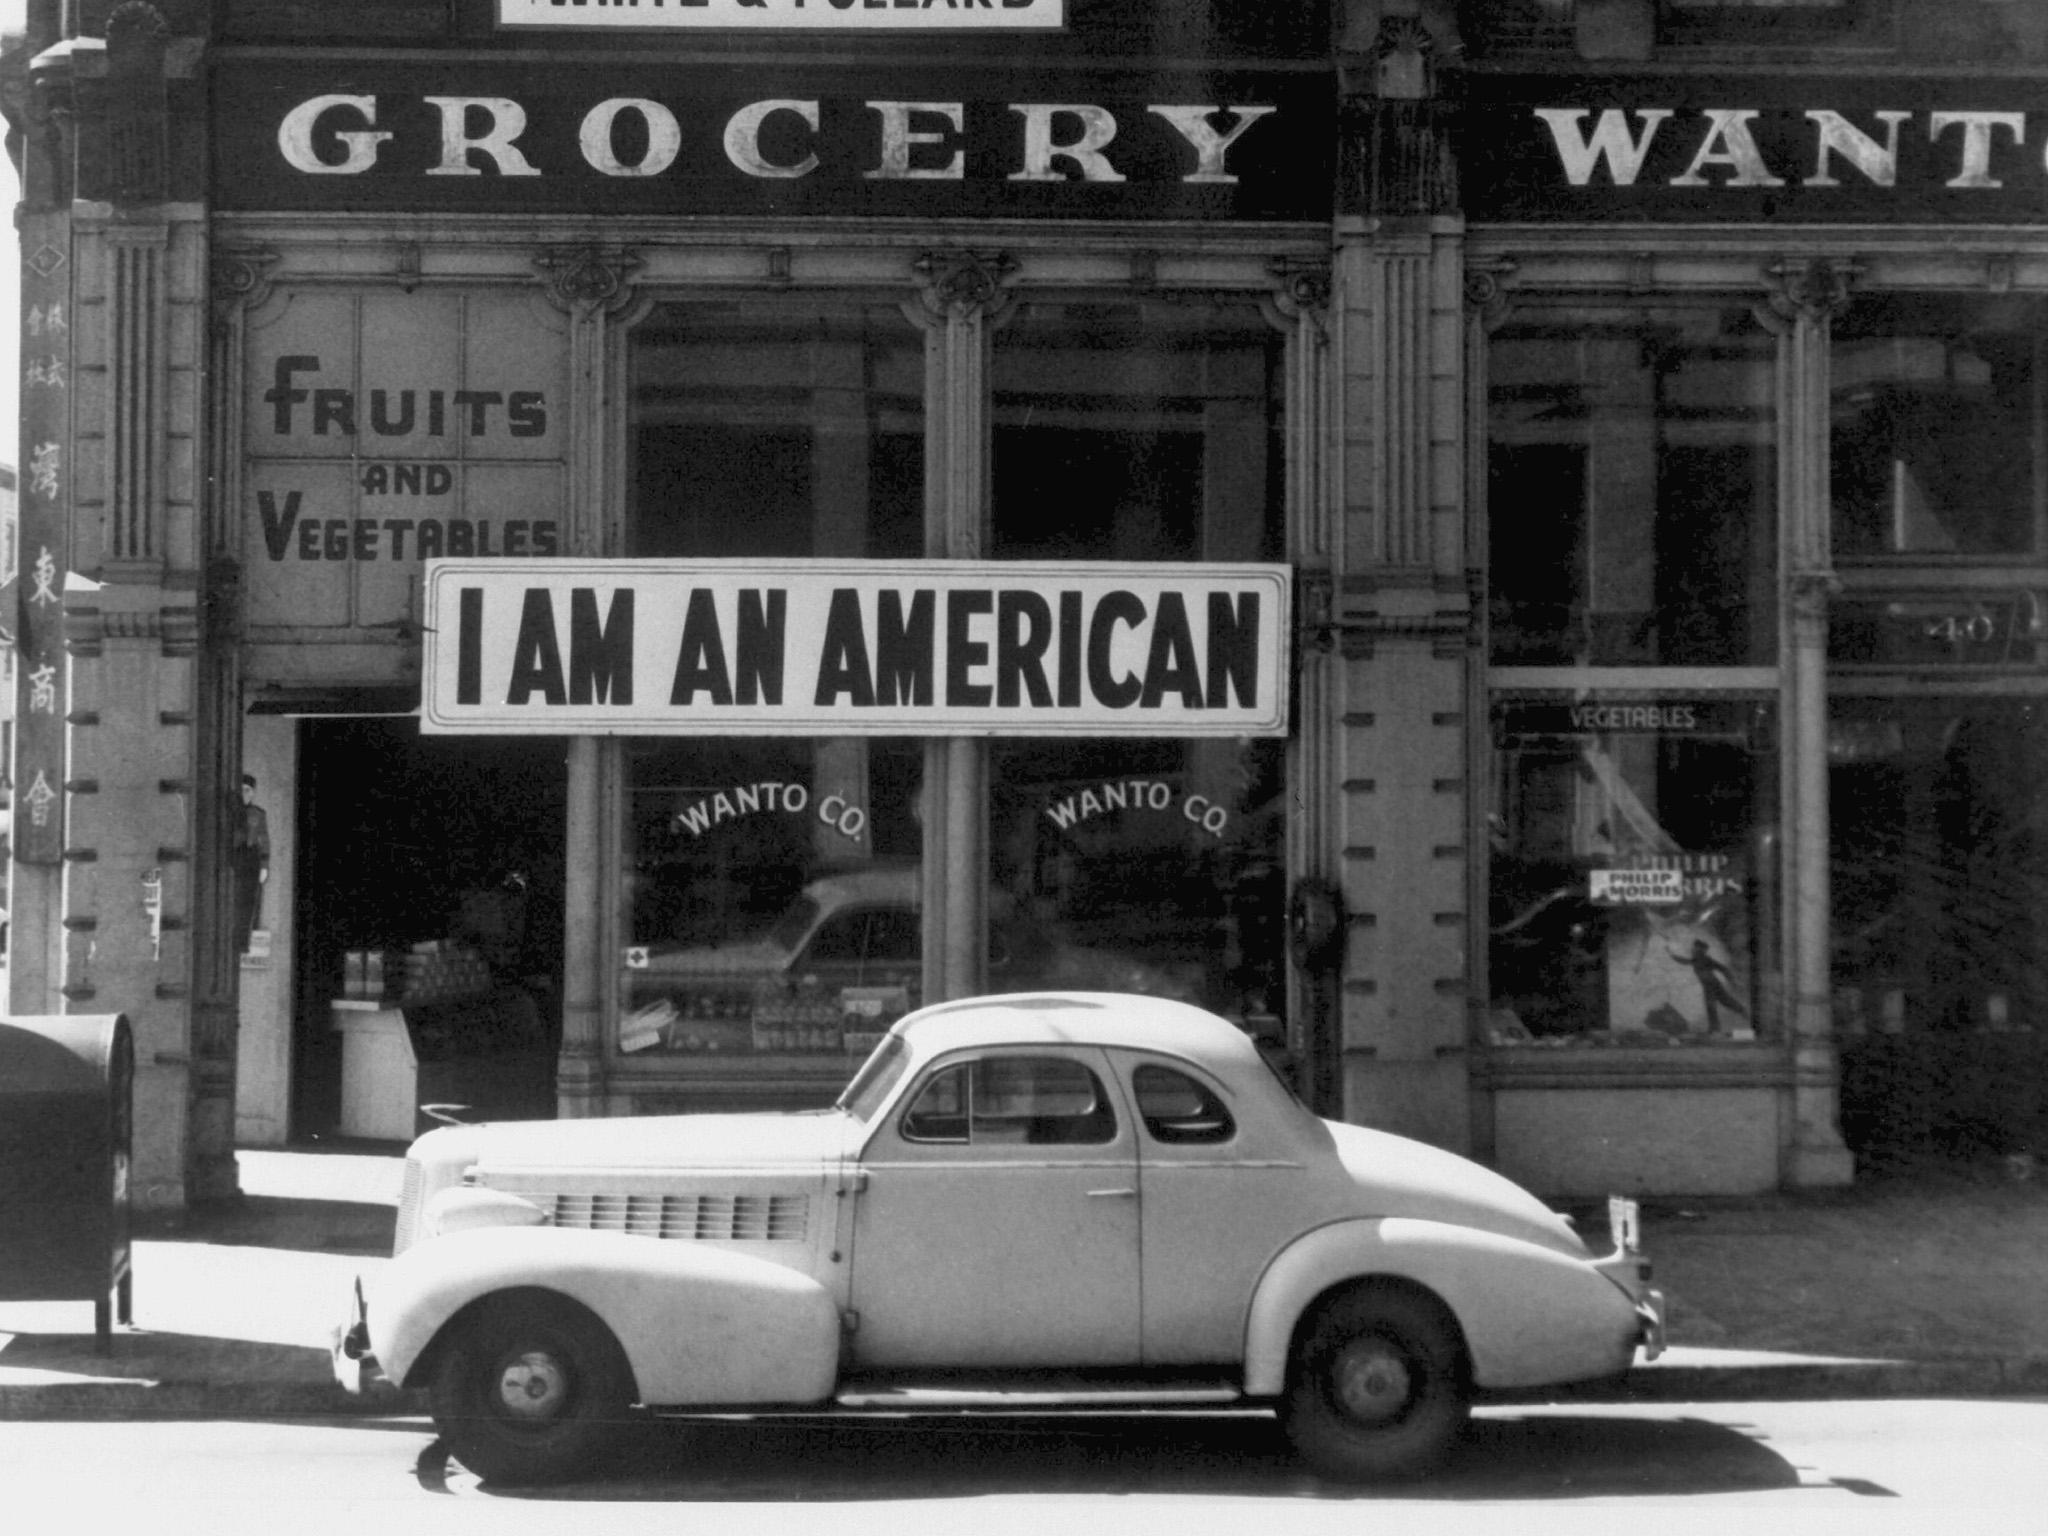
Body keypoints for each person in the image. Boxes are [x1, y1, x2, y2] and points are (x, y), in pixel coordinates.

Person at [232, 773, 270, 952]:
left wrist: (264, 866)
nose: (244, 793)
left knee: (248, 901)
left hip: (251, 858)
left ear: (253, 793)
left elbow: (264, 840)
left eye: (248, 790)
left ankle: (242, 943)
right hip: (234, 856)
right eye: (241, 790)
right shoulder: (231, 813)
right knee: (233, 899)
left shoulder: (258, 814)